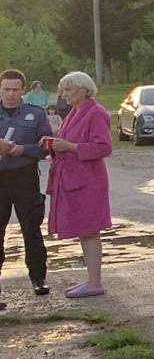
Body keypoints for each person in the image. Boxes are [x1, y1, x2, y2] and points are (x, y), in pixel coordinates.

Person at [42, 71, 113, 299]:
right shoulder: (75, 112)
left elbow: (104, 148)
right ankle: (91, 280)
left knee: (90, 230)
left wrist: (70, 147)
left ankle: (95, 283)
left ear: (84, 90)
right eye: (63, 90)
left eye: (68, 89)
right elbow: (69, 142)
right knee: (84, 230)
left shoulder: (96, 113)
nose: (64, 94)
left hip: (88, 181)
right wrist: (53, 144)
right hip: (74, 179)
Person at [0, 69, 53, 302]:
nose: (10, 94)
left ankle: (38, 278)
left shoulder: (36, 114)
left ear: (23, 90)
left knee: (31, 229)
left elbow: (46, 146)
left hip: (25, 176)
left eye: (15, 89)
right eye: (6, 89)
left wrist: (24, 149)